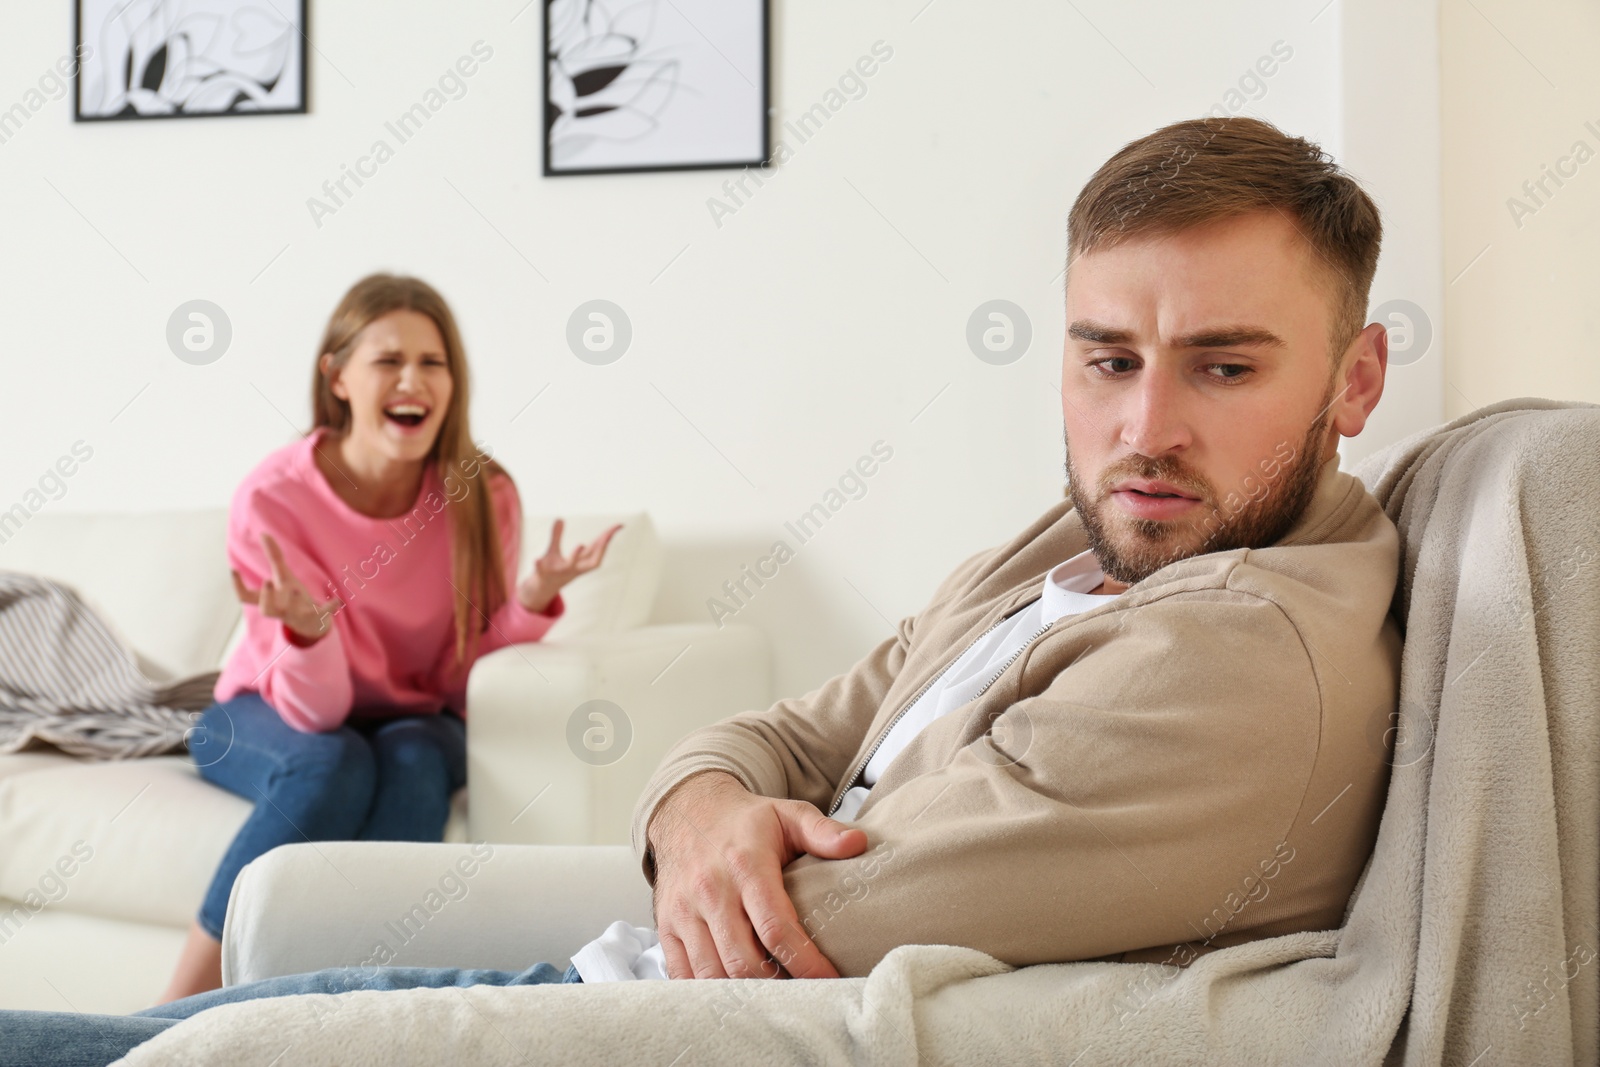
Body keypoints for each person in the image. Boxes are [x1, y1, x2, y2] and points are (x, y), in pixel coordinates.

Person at [0, 114, 1403, 1064]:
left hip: (630, 1006)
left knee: (173, 1026)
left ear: (1356, 380)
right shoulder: (1086, 542)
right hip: (511, 879)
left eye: (1225, 366)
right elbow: (792, 723)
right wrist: (703, 797)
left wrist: (695, 794)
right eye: (1107, 356)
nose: (1144, 424)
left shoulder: (1243, 650)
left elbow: (817, 915)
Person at [157, 273, 621, 1003]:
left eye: (432, 362)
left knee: (410, 756)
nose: (413, 379)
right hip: (265, 712)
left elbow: (462, 675)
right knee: (334, 762)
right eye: (388, 360)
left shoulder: (480, 493)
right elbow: (315, 715)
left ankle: (357, 1014)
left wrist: (531, 601)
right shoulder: (274, 498)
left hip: (415, 717)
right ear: (336, 376)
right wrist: (309, 633)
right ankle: (172, 1014)